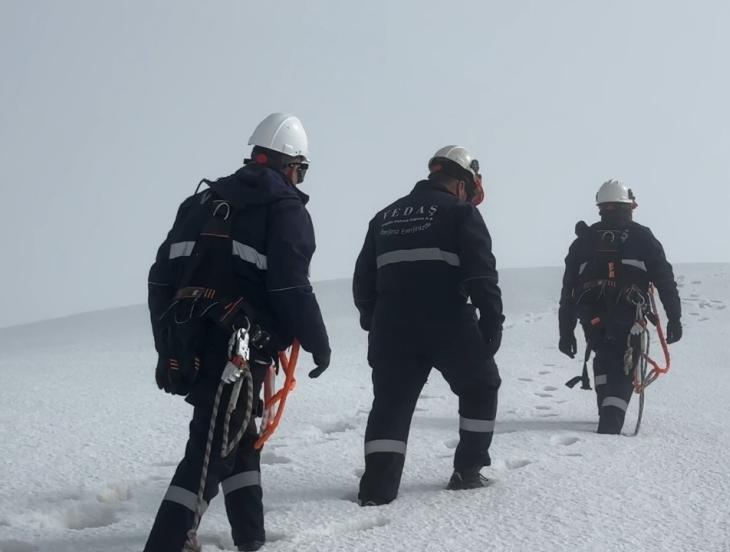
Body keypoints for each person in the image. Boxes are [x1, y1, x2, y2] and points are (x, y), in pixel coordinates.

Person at [144, 113, 331, 552]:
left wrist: (167, 345)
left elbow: (159, 279)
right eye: (300, 171)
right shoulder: (284, 209)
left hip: (192, 340)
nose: (299, 179)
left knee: (240, 439)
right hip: (237, 349)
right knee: (209, 452)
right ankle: (167, 543)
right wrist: (318, 343)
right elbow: (290, 287)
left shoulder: (199, 204)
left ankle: (251, 538)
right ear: (290, 165)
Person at [353, 145, 504, 506]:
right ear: (463, 183)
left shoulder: (385, 216)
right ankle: (468, 471)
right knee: (481, 386)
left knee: (390, 402)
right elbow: (481, 273)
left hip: (392, 325)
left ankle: (377, 490)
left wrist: (374, 319)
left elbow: (363, 281)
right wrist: (492, 322)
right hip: (447, 319)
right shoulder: (460, 212)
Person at [557, 179, 682, 434]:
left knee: (604, 356)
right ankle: (609, 427)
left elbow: (568, 290)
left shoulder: (583, 241)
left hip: (591, 314)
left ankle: (606, 416)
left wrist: (566, 331)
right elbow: (664, 279)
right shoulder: (642, 237)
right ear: (630, 206)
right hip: (627, 312)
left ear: (601, 207)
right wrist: (674, 317)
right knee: (624, 364)